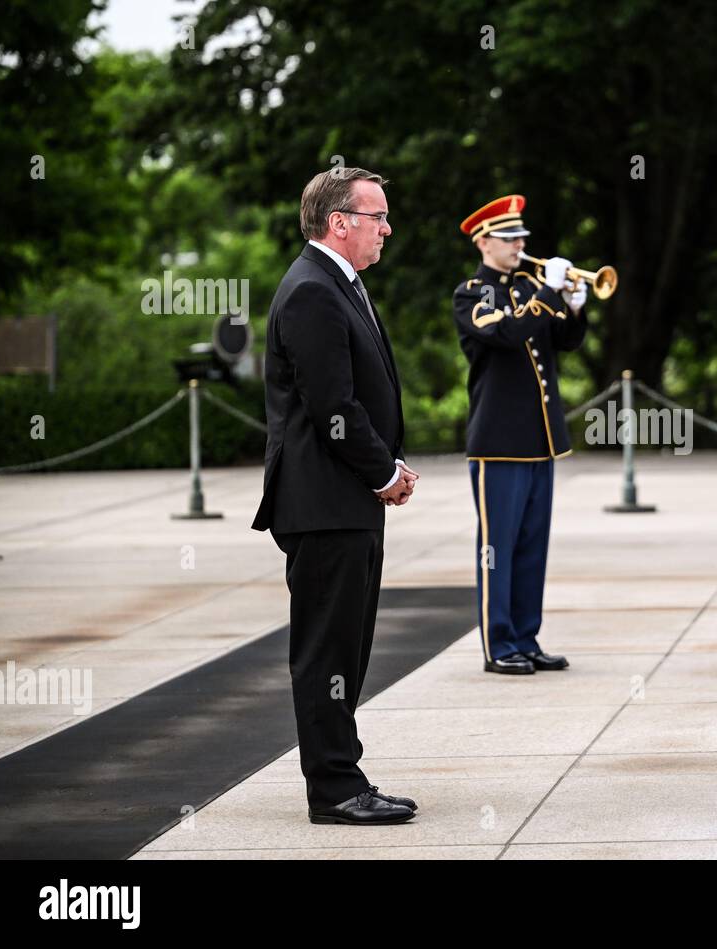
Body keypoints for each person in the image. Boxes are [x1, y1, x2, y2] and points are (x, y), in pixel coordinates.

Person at [252, 167, 419, 824]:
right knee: (327, 650)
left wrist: (386, 465)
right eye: (376, 216)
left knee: (345, 647)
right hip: (324, 501)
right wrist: (384, 473)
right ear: (339, 222)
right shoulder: (312, 292)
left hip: (342, 498)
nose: (386, 228)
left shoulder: (336, 284)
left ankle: (344, 774)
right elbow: (334, 407)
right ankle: (335, 789)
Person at [451, 195, 587, 674]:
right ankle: (499, 644)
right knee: (498, 547)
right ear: (483, 241)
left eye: (522, 236)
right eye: (510, 237)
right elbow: (508, 335)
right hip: (498, 442)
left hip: (539, 440)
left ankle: (526, 637)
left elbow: (564, 341)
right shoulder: (472, 294)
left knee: (532, 546)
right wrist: (548, 296)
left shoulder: (531, 287)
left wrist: (573, 305)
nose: (521, 244)